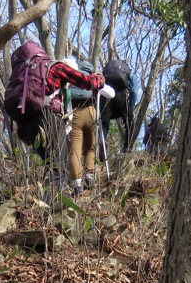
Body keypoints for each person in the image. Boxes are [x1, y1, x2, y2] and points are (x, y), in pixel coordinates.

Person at [13, 60, 105, 163]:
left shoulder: (35, 77)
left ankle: (47, 178)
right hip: (48, 119)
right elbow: (87, 81)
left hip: (28, 124)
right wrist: (100, 79)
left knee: (49, 164)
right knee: (60, 164)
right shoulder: (60, 68)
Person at [67, 60, 99, 195]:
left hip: (74, 113)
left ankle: (78, 184)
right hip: (91, 112)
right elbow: (110, 93)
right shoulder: (92, 79)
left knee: (75, 150)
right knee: (90, 146)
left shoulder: (71, 78)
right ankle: (90, 176)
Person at [98, 59, 138, 160]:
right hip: (122, 97)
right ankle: (127, 146)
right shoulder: (131, 75)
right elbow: (134, 92)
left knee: (104, 123)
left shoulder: (106, 74)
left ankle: (102, 139)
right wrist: (130, 108)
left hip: (106, 96)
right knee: (129, 123)